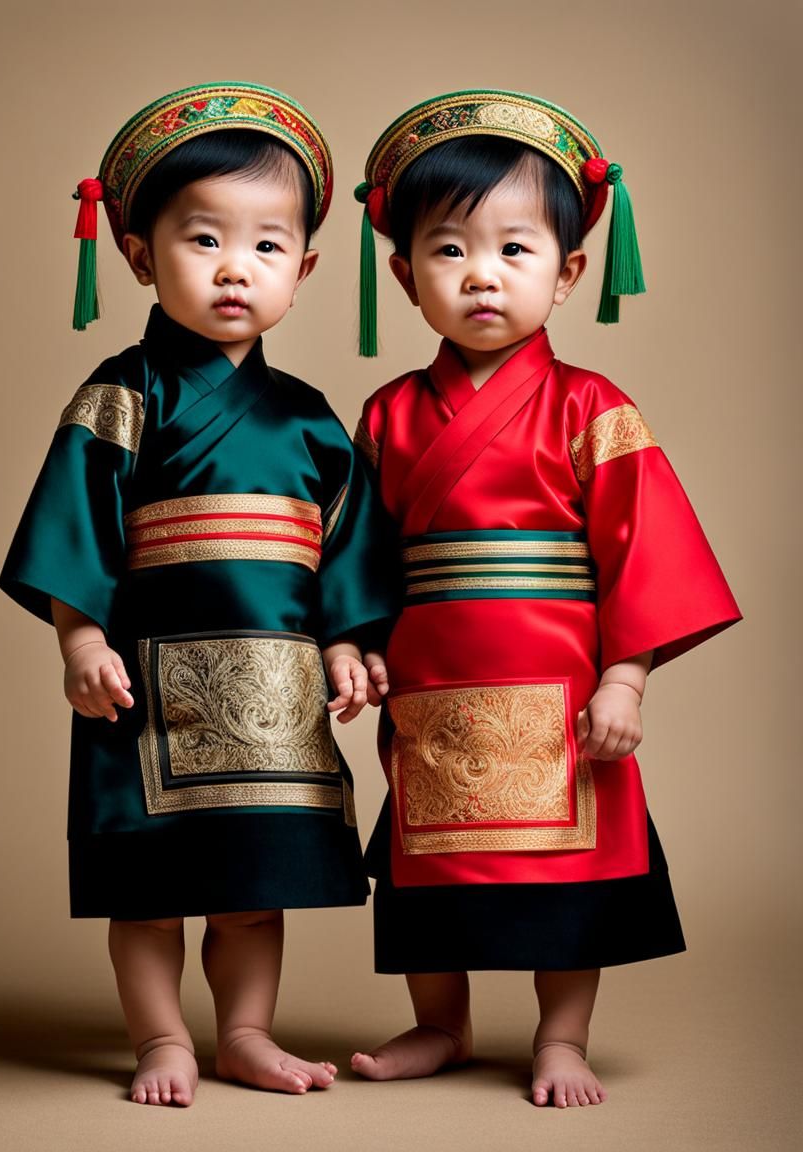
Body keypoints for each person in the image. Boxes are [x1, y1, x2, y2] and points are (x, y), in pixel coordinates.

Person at [0, 83, 394, 1107]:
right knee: (151, 883)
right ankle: (160, 1038)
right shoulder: (120, 394)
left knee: (251, 885)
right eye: (202, 239)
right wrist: (79, 639)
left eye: (267, 246)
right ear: (139, 254)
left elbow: (345, 545)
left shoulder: (309, 421)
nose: (234, 268)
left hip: (276, 680)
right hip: (146, 680)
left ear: (303, 271)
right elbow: (71, 529)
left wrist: (350, 641)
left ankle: (246, 1031)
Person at [348, 89, 741, 1107]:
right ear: (402, 275)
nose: (480, 274)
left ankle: (560, 1035)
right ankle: (440, 1022)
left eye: (513, 250)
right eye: (447, 251)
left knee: (572, 878)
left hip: (560, 681)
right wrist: (356, 641)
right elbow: (356, 553)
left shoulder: (590, 407)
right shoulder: (388, 414)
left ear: (566, 273)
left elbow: (644, 552)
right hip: (432, 682)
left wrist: (625, 676)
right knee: (426, 873)